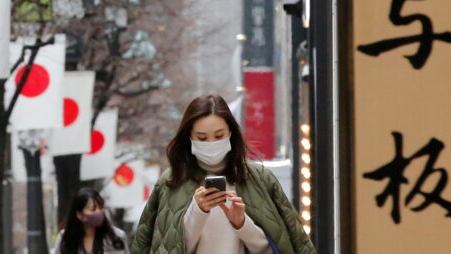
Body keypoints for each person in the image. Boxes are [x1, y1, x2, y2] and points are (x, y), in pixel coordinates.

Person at [131, 95, 316, 254]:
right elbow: (163, 247)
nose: (211, 143)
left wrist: (242, 224)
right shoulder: (171, 181)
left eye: (219, 136)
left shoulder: (259, 179)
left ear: (230, 133)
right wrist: (197, 211)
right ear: (189, 138)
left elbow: (280, 246)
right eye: (202, 138)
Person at [54, 187, 129, 254]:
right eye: (93, 209)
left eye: (101, 207)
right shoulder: (64, 239)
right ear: (80, 215)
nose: (99, 212)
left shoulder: (117, 237)